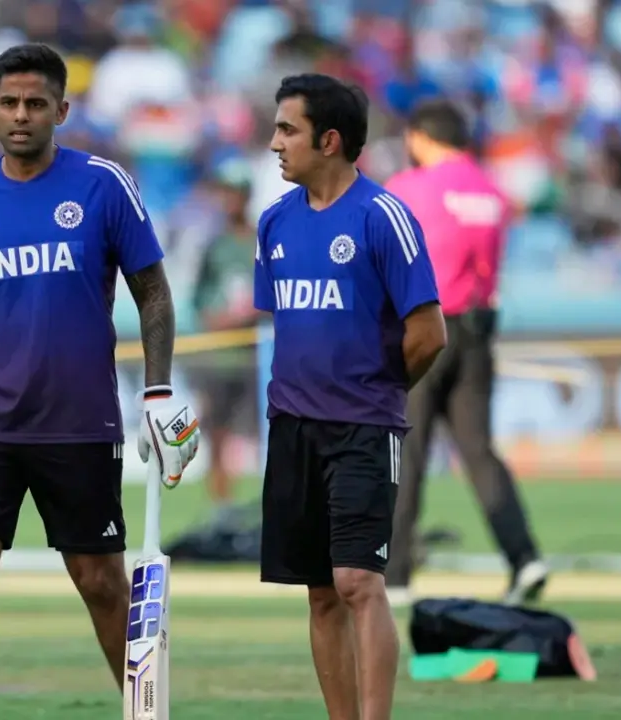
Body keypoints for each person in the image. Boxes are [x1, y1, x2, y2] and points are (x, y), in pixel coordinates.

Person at [0, 44, 201, 720]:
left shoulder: (103, 185)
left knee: (101, 581)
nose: (21, 115)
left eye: (36, 104)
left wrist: (160, 392)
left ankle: (145, 713)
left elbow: (154, 293)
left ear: (62, 109)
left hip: (78, 421)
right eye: (10, 103)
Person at [255, 74, 448, 720]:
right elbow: (286, 323)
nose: (274, 142)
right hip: (292, 428)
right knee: (319, 593)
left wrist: (375, 391)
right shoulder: (274, 223)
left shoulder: (382, 216)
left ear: (329, 141)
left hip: (362, 430)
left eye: (288, 129)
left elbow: (429, 333)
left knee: (359, 583)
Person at [382, 99, 548, 607]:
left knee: (406, 449)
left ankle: (397, 576)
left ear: (420, 137)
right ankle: (524, 558)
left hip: (423, 328)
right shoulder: (492, 190)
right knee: (478, 450)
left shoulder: (408, 189)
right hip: (477, 330)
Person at [190, 155, 262, 524]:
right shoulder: (213, 246)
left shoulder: (262, 242)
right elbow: (198, 299)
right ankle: (221, 509)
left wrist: (253, 314)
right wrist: (218, 320)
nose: (229, 200)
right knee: (215, 433)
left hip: (255, 356)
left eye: (236, 193)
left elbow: (276, 296)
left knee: (260, 433)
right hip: (218, 356)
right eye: (225, 193)